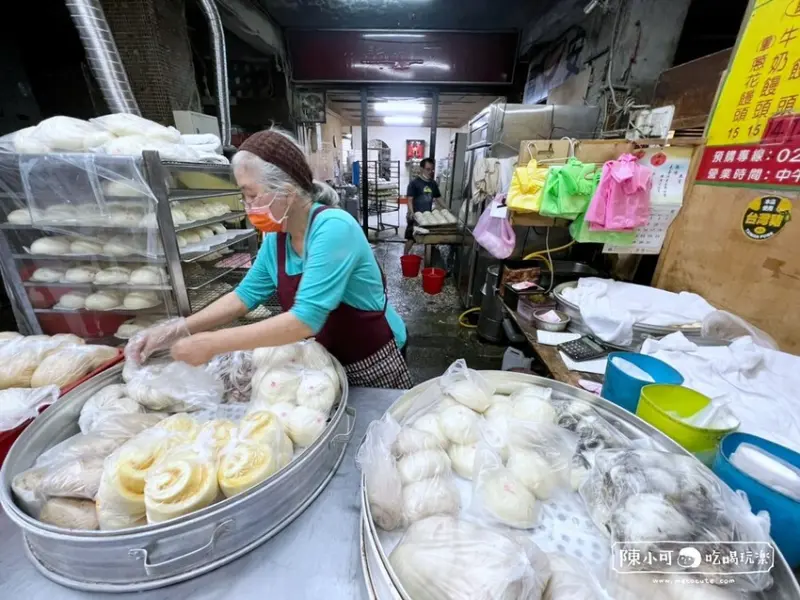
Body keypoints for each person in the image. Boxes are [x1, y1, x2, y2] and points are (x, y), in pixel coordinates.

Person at [127, 129, 412, 389]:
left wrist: (212, 342)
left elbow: (305, 319)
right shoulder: (276, 239)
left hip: (371, 358)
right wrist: (177, 329)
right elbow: (244, 297)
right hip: (323, 361)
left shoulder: (334, 228)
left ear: (287, 193)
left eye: (251, 195)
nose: (247, 207)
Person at [404, 157, 444, 255]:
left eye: (432, 170)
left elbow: (438, 198)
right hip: (415, 216)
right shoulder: (414, 183)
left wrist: (447, 208)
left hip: (427, 216)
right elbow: (410, 200)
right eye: (428, 169)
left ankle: (427, 257)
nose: (430, 172)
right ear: (421, 169)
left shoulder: (433, 184)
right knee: (411, 239)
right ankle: (405, 257)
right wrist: (411, 213)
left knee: (427, 238)